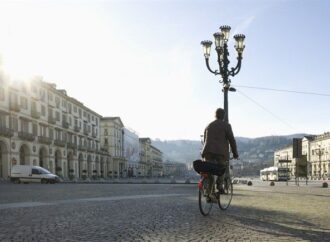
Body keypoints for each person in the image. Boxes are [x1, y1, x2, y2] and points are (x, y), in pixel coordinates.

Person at [201, 108, 239, 198]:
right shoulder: (226, 125)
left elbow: (204, 140)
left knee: (209, 171)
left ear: (215, 115)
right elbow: (232, 140)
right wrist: (235, 153)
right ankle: (219, 185)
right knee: (222, 168)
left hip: (207, 152)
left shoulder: (208, 125)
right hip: (220, 153)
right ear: (223, 116)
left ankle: (209, 193)